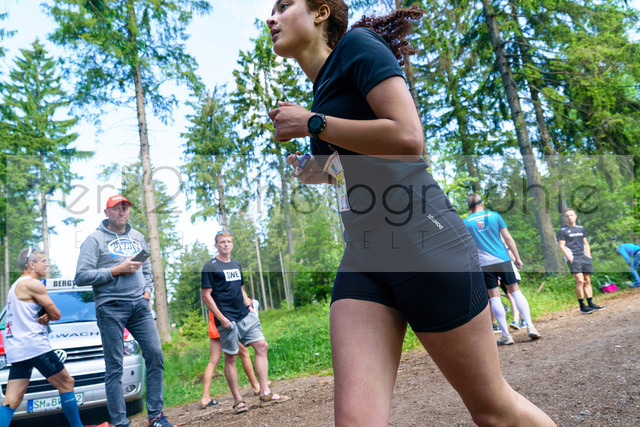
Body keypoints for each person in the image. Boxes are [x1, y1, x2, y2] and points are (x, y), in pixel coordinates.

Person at [266, 1, 555, 425]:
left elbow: (407, 137)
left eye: (283, 5)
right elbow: (367, 165)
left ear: (321, 12)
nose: (271, 17)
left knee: (492, 410)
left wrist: (313, 123)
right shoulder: (322, 88)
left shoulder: (357, 45)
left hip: (423, 240)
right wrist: (320, 172)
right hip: (364, 254)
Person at [75, 195, 176, 427]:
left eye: (125, 208)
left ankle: (156, 417)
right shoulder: (94, 240)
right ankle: (120, 423)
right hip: (110, 307)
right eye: (116, 208)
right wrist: (116, 270)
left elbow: (147, 269)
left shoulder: (137, 237)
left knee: (155, 355)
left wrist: (147, 292)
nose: (122, 212)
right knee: (115, 367)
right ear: (106, 212)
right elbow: (81, 276)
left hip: (139, 306)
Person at [0, 247, 108, 427]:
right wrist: (50, 315)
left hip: (17, 348)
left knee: (12, 399)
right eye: (43, 261)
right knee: (66, 383)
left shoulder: (15, 286)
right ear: (31, 264)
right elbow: (57, 314)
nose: (47, 264)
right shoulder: (33, 284)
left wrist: (46, 315)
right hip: (34, 346)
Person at [200, 231, 284, 415]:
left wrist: (249, 305)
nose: (226, 245)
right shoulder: (210, 266)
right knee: (231, 357)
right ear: (216, 245)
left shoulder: (236, 264)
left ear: (232, 244)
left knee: (262, 346)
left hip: (245, 315)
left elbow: (239, 287)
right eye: (222, 242)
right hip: (227, 320)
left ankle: (265, 392)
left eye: (229, 242)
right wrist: (221, 318)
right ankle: (238, 401)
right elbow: (206, 296)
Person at [463, 194, 541, 345]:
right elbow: (508, 237)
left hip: (484, 263)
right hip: (502, 259)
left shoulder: (466, 223)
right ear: (482, 203)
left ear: (468, 207)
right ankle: (531, 326)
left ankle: (506, 335)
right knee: (515, 291)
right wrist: (517, 258)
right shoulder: (494, 215)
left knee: (494, 297)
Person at [200, 305, 261, 409]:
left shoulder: (210, 296)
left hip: (214, 326)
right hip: (225, 324)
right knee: (244, 354)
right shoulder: (220, 295)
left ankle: (205, 398)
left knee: (212, 361)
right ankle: (256, 386)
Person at [557, 208, 605, 314]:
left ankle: (591, 303)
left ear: (575, 216)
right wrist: (569, 258)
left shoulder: (581, 228)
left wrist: (588, 256)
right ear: (565, 218)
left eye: (571, 215)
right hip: (573, 257)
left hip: (584, 257)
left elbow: (585, 243)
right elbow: (561, 245)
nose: (570, 217)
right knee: (580, 281)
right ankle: (582, 306)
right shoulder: (562, 231)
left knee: (587, 280)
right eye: (567, 216)